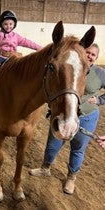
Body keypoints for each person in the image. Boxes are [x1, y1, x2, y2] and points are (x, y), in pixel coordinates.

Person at [28, 43, 105, 195]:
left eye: (93, 54)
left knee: (77, 149)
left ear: (96, 57)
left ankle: (71, 177)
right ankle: (45, 168)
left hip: (86, 117)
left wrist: (100, 101)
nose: (89, 56)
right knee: (53, 143)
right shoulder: (71, 66)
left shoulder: (100, 74)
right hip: (63, 114)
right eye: (87, 52)